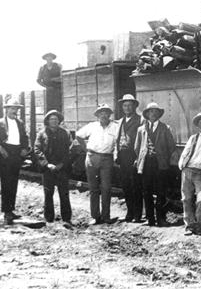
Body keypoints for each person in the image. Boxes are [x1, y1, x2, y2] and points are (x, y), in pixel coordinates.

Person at [75, 104, 119, 225]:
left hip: (107, 159)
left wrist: (115, 156)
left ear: (109, 115)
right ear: (98, 115)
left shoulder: (116, 127)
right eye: (101, 113)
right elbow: (78, 135)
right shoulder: (92, 126)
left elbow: (118, 142)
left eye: (106, 113)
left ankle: (106, 216)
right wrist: (86, 150)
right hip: (92, 158)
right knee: (93, 188)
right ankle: (95, 216)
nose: (103, 115)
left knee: (106, 188)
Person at [134, 102, 175, 227]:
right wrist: (142, 157)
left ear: (159, 114)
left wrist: (163, 157)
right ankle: (150, 219)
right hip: (146, 164)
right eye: (150, 112)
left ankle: (161, 218)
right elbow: (137, 147)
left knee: (161, 192)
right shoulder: (141, 129)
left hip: (160, 164)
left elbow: (171, 146)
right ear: (147, 114)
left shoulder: (165, 128)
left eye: (156, 112)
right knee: (147, 191)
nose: (153, 114)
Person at [0, 96, 30, 225]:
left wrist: (25, 148)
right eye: (12, 108)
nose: (15, 111)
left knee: (13, 182)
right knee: (6, 183)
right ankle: (6, 212)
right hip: (5, 154)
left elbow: (25, 137)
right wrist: (1, 150)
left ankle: (11, 210)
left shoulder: (20, 123)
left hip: (17, 154)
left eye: (16, 108)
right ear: (7, 109)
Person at [33, 110, 73, 224]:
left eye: (56, 119)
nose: (54, 121)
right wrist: (46, 164)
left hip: (62, 168)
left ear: (59, 121)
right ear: (47, 121)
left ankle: (66, 218)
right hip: (48, 169)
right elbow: (37, 149)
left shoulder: (65, 133)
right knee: (48, 194)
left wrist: (62, 164)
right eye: (51, 119)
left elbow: (71, 150)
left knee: (64, 194)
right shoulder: (42, 134)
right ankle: (49, 219)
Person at [116, 94, 143, 222]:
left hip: (134, 156)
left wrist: (139, 157)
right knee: (126, 186)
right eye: (125, 105)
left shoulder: (140, 120)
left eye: (130, 105)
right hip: (123, 157)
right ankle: (129, 213)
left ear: (134, 107)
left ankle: (138, 215)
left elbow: (143, 140)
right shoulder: (120, 121)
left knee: (136, 186)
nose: (127, 108)